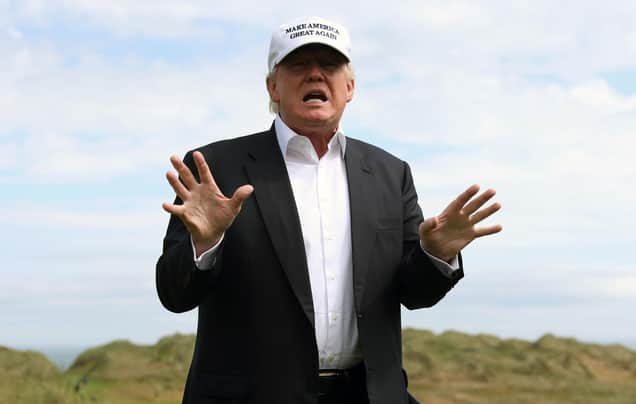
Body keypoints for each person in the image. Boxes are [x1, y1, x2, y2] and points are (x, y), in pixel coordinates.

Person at [156, 16, 502, 404]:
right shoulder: (216, 167)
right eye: (299, 65)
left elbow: (413, 292)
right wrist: (205, 244)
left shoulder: (390, 173)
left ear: (349, 87)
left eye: (330, 66)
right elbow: (174, 295)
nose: (315, 74)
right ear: (273, 85)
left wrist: (435, 254)